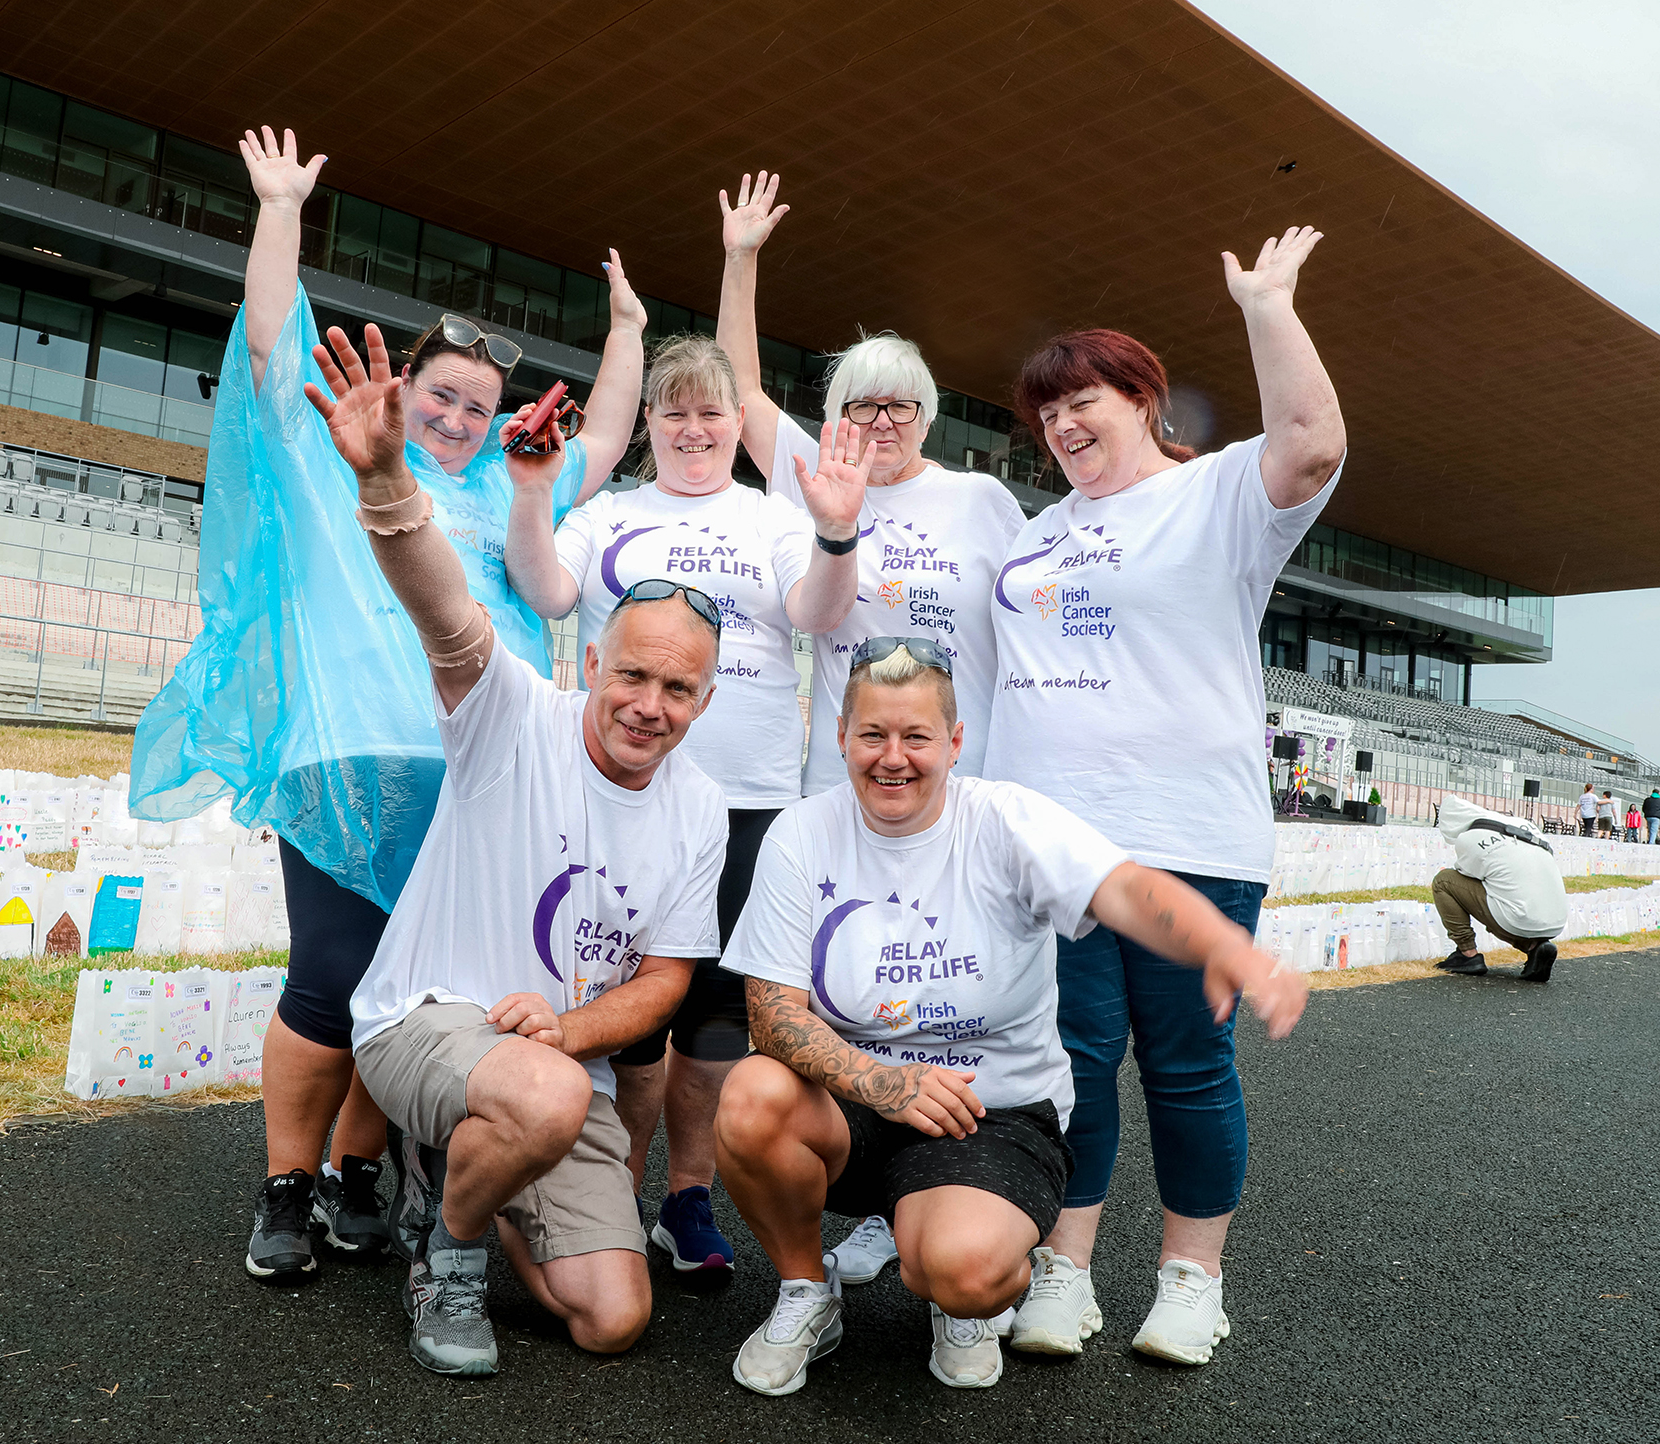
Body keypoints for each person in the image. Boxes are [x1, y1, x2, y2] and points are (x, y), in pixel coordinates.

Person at [130, 128, 648, 1284]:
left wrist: (626, 330)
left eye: (479, 407)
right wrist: (278, 209)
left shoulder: (508, 487)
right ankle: (285, 1183)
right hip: (345, 762)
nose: (459, 420)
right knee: (329, 977)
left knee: (415, 992)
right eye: (443, 396)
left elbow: (608, 436)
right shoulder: (331, 456)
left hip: (472, 779)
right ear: (403, 388)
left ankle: (357, 1171)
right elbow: (273, 341)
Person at [713, 641, 1307, 1395]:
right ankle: (805, 1290)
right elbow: (770, 1016)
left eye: (916, 736)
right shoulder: (801, 832)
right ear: (840, 736)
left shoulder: (1004, 818)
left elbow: (1123, 888)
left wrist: (1219, 942)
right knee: (751, 1096)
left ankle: (962, 1296)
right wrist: (884, 1083)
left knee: (962, 1271)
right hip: (855, 1101)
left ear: (955, 741)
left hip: (987, 1113)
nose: (892, 758)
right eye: (872, 735)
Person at [307, 319, 728, 1375]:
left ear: (705, 700)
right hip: (426, 1022)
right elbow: (446, 611)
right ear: (592, 664)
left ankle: (475, 1173)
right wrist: (387, 483)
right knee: (543, 1094)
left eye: (677, 688)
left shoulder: (700, 806)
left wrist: (569, 1027)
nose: (648, 705)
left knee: (611, 1319)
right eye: (632, 675)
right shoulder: (512, 713)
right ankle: (445, 1251)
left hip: (555, 1061)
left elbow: (667, 980)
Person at [982, 227, 1346, 1366]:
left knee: (1186, 1065)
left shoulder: (1216, 495)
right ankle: (1065, 1270)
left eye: (1081, 401)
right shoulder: (1036, 535)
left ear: (1141, 398)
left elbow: (1311, 444)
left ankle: (1192, 1282)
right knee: (1071, 1064)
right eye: (1046, 415)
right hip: (1051, 846)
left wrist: (1267, 306)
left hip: (1187, 836)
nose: (1061, 426)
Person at [717, 171, 1026, 1282]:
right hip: (841, 785)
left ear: (928, 415)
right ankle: (867, 1192)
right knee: (847, 980)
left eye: (898, 406)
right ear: (835, 415)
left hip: (955, 790)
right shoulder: (816, 477)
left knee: (947, 983)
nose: (879, 423)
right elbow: (741, 386)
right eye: (859, 405)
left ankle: (951, 1181)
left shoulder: (981, 501)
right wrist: (740, 259)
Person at [505, 333, 867, 1270]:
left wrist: (835, 532)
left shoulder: (770, 515)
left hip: (747, 794)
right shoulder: (611, 512)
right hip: (617, 791)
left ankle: (687, 1198)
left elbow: (821, 611)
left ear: (736, 422)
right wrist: (534, 496)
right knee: (625, 998)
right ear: (650, 423)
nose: (694, 429)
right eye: (675, 411)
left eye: (711, 411)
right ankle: (611, 1194)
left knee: (712, 1010)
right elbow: (546, 591)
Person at [1431, 796, 1565, 982]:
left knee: (1444, 881)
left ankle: (1467, 954)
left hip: (1518, 919)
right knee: (1511, 894)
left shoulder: (1470, 837)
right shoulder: (1524, 825)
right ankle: (1535, 947)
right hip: (1557, 919)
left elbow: (1466, 874)